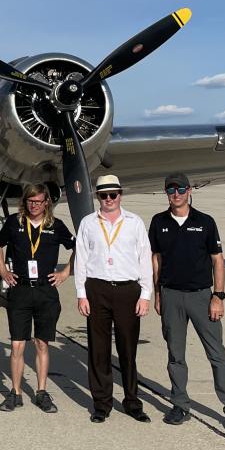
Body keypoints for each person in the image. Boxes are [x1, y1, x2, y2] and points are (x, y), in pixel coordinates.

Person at [151, 172, 225, 432]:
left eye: (181, 189)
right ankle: (180, 404)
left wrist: (218, 296)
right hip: (171, 295)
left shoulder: (205, 222)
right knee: (175, 356)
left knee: (216, 354)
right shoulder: (159, 222)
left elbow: (217, 260)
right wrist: (158, 294)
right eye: (171, 190)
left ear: (190, 190)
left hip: (202, 297)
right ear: (166, 193)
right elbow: (156, 259)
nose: (176, 194)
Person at [74, 174, 154, 423]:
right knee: (98, 350)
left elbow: (145, 259)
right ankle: (102, 404)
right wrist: (81, 294)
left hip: (127, 290)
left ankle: (132, 401)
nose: (109, 199)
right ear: (97, 196)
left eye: (113, 194)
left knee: (127, 350)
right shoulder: (87, 222)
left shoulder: (135, 222)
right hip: (97, 289)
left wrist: (145, 295)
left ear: (120, 195)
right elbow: (81, 260)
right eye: (103, 195)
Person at [0, 183, 74, 413]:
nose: (34, 205)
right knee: (17, 344)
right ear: (25, 202)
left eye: (38, 201)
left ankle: (41, 391)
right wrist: (3, 270)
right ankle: (15, 393)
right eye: (30, 201)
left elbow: (77, 247)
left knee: (41, 343)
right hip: (20, 289)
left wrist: (66, 272)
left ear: (46, 202)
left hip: (46, 290)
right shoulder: (15, 223)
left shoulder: (55, 226)